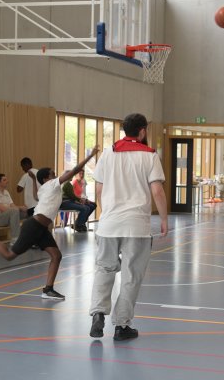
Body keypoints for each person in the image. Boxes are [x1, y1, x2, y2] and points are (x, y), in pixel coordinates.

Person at [0, 145, 100, 300]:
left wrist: (34, 180)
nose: (56, 176)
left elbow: (35, 195)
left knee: (56, 256)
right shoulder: (51, 185)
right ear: (46, 179)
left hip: (41, 228)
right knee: (9, 255)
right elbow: (73, 171)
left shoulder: (44, 189)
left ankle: (48, 290)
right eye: (53, 174)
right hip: (34, 226)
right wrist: (90, 156)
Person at [89, 113, 168, 341]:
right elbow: (157, 191)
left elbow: (99, 190)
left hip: (108, 224)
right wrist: (164, 219)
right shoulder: (150, 155)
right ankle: (122, 325)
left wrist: (107, 213)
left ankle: (97, 312)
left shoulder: (108, 153)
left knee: (104, 269)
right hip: (136, 226)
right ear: (142, 131)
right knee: (131, 275)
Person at [0, 173, 28, 244]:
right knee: (14, 211)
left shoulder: (6, 192)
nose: (7, 181)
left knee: (27, 212)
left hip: (9, 216)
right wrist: (20, 207)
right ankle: (15, 239)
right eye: (4, 180)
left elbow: (13, 205)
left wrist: (22, 208)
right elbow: (2, 209)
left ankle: (30, 236)